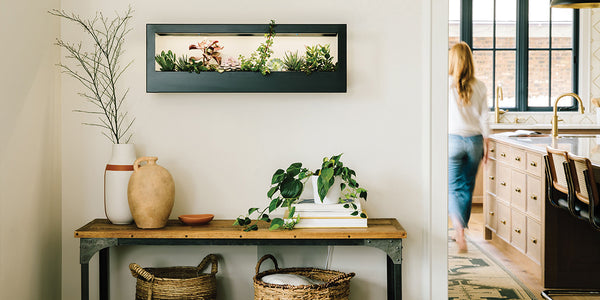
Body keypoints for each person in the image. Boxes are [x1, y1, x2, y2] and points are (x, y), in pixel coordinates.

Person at [448, 42, 489, 252]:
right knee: (466, 187)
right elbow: (484, 118)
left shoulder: (446, 84)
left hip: (452, 141)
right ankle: (461, 230)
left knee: (453, 187)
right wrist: (487, 143)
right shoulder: (480, 86)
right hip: (474, 141)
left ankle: (458, 230)